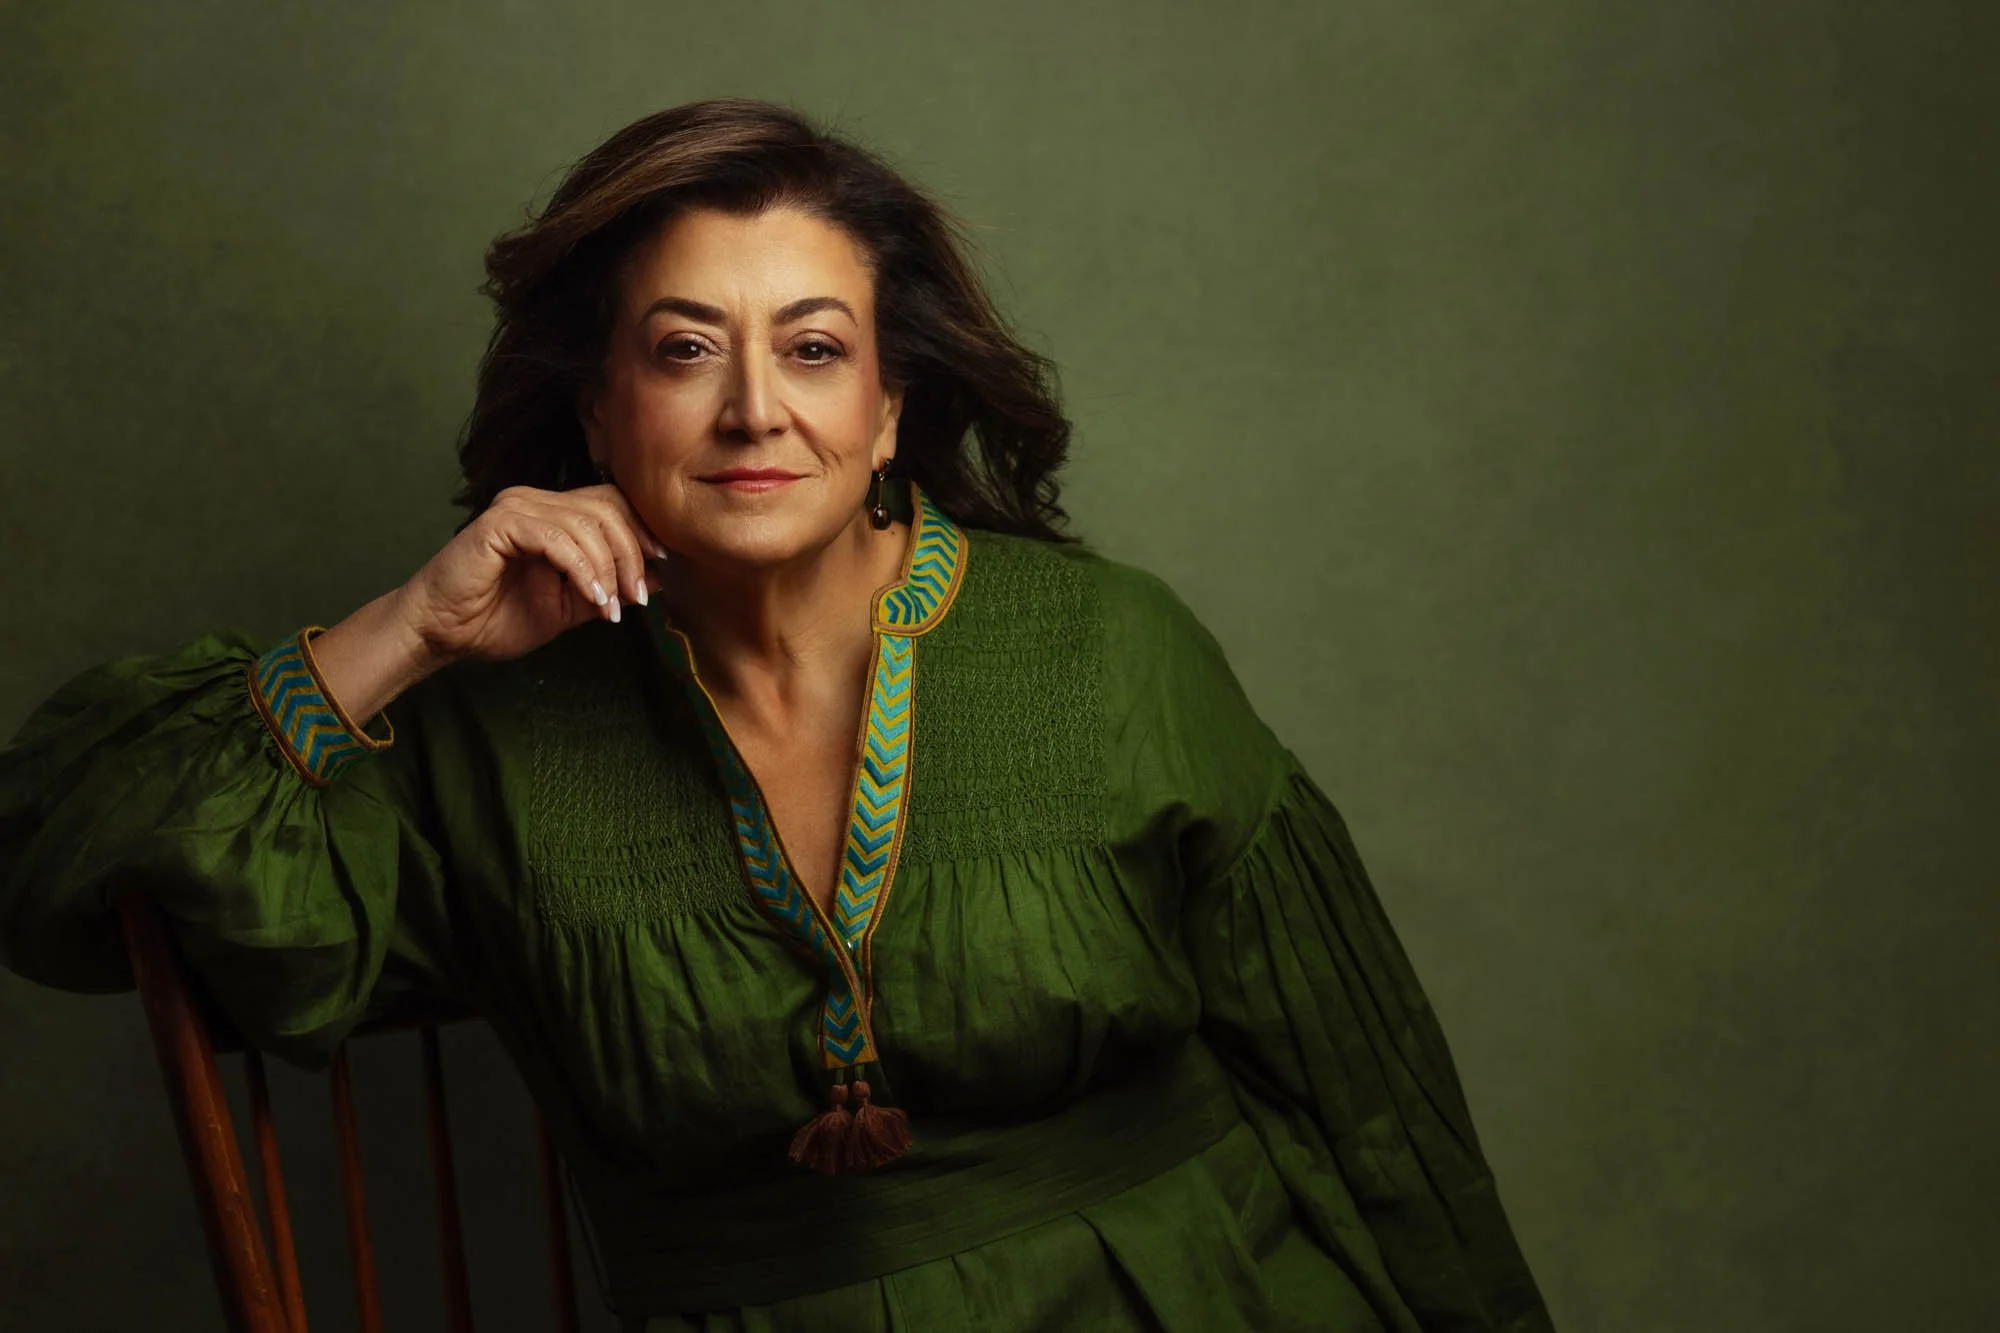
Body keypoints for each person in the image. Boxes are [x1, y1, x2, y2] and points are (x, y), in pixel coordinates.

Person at [0, 97, 1553, 1332]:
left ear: (885, 413)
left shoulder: (1111, 652)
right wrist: (407, 631)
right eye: (685, 352)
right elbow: (63, 882)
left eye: (814, 349)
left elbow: (1373, 1113)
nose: (756, 409)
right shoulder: (485, 727)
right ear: (597, 410)